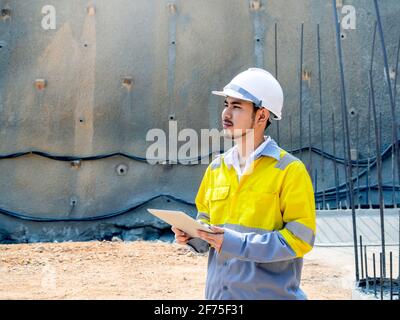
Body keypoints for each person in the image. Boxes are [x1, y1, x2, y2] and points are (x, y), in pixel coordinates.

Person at [172, 68, 316, 300]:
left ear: (261, 116)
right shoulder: (216, 168)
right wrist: (194, 236)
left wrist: (232, 242)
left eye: (237, 106)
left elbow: (300, 240)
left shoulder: (289, 170)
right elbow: (208, 223)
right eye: (226, 104)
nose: (226, 113)